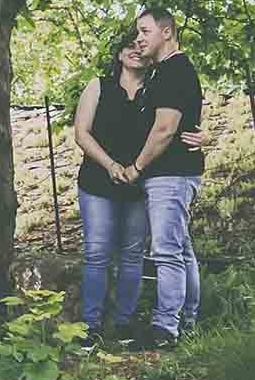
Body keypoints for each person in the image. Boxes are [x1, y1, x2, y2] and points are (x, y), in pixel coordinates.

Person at [73, 30, 211, 347]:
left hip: (138, 182)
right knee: (96, 253)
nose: (135, 49)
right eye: (128, 45)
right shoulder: (99, 86)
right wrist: (110, 165)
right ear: (118, 53)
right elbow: (82, 133)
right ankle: (90, 326)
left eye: (140, 44)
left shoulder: (156, 88)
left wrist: (205, 136)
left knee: (133, 255)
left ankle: (124, 323)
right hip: (99, 181)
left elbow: (175, 122)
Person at [122, 6, 205, 350]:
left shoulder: (174, 71)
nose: (139, 39)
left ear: (166, 32)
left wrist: (137, 167)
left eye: (145, 31)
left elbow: (165, 129)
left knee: (167, 252)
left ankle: (165, 330)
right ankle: (187, 320)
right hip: (173, 173)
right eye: (137, 33)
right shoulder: (166, 72)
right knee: (181, 251)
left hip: (171, 175)